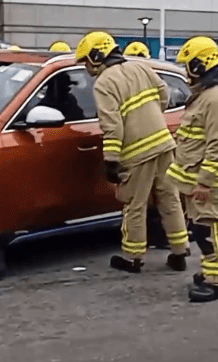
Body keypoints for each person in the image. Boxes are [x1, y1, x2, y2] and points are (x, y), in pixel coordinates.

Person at [75, 31, 189, 273]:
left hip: (137, 153)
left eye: (86, 60)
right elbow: (163, 95)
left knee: (134, 205)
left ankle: (133, 257)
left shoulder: (104, 83)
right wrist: (151, 118)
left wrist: (111, 160)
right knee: (169, 198)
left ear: (97, 56)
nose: (85, 66)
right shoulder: (141, 68)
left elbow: (111, 124)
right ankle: (180, 252)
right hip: (164, 143)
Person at [166, 36, 218, 303]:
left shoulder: (215, 99)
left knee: (209, 228)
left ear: (199, 65)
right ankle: (209, 273)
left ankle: (217, 282)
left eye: (188, 66)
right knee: (200, 228)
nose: (186, 72)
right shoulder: (206, 96)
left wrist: (205, 182)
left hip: (205, 180)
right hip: (194, 178)